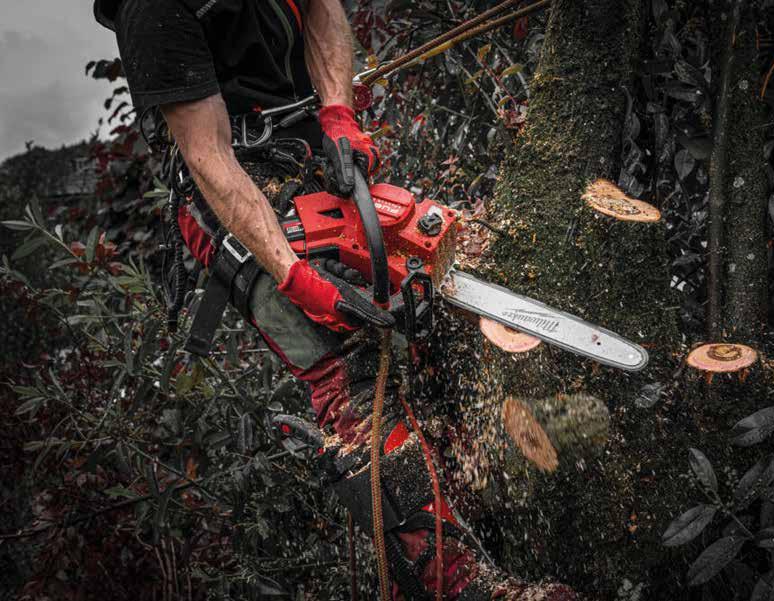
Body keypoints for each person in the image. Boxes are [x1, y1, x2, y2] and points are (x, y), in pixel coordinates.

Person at [94, 1, 577, 599]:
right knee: (347, 365)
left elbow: (323, 10)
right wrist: (293, 275)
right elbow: (207, 155)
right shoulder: (152, 9)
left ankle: (481, 494)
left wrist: (339, 114)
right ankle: (454, 580)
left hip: (305, 146)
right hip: (230, 188)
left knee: (430, 284)